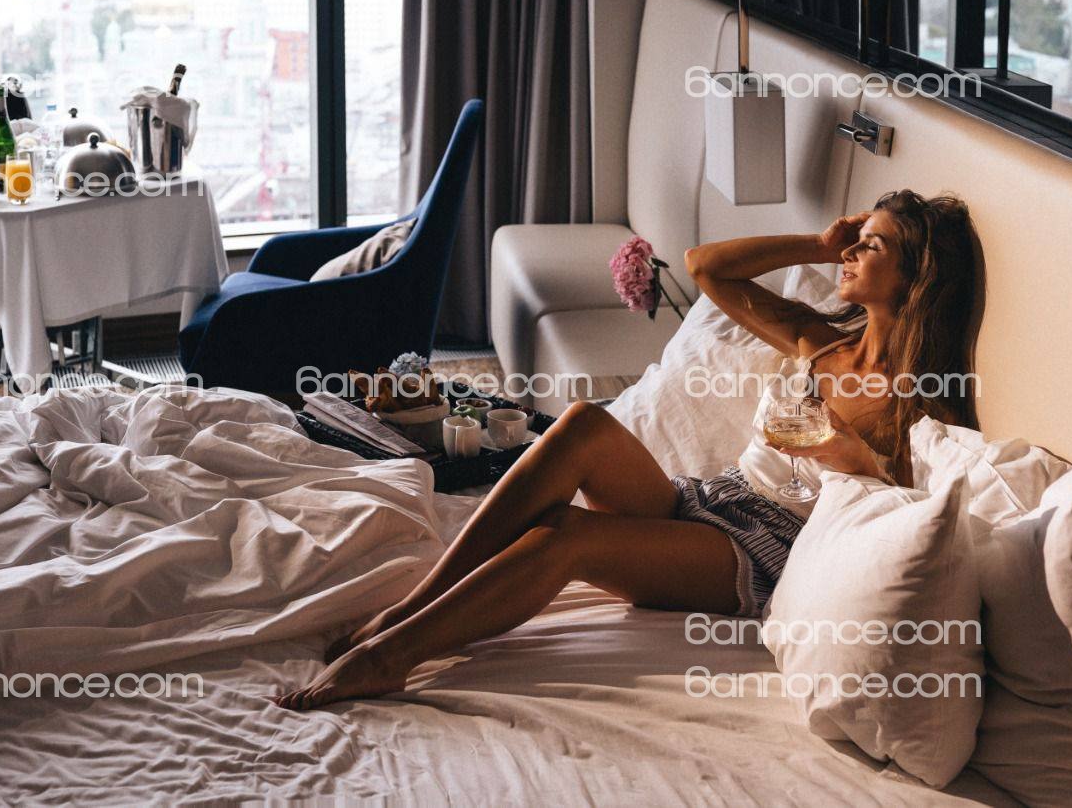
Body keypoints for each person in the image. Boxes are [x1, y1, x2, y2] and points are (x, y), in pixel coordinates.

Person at [273, 190, 986, 711]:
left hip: (766, 550)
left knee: (567, 534)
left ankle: (392, 656)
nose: (853, 253)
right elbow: (707, 268)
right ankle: (411, 607)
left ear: (916, 278)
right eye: (857, 240)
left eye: (872, 246)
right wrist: (819, 244)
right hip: (718, 498)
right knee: (582, 423)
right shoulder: (818, 341)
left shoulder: (923, 397)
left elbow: (917, 510)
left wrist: (854, 459)